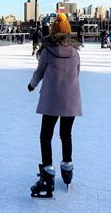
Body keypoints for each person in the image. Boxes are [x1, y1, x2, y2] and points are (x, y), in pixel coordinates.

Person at [27, 13, 82, 198]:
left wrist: (32, 85)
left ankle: (48, 172)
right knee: (66, 135)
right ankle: (67, 167)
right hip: (71, 100)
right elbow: (77, 73)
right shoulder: (75, 53)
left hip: (51, 100)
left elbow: (39, 72)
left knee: (46, 136)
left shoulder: (47, 51)